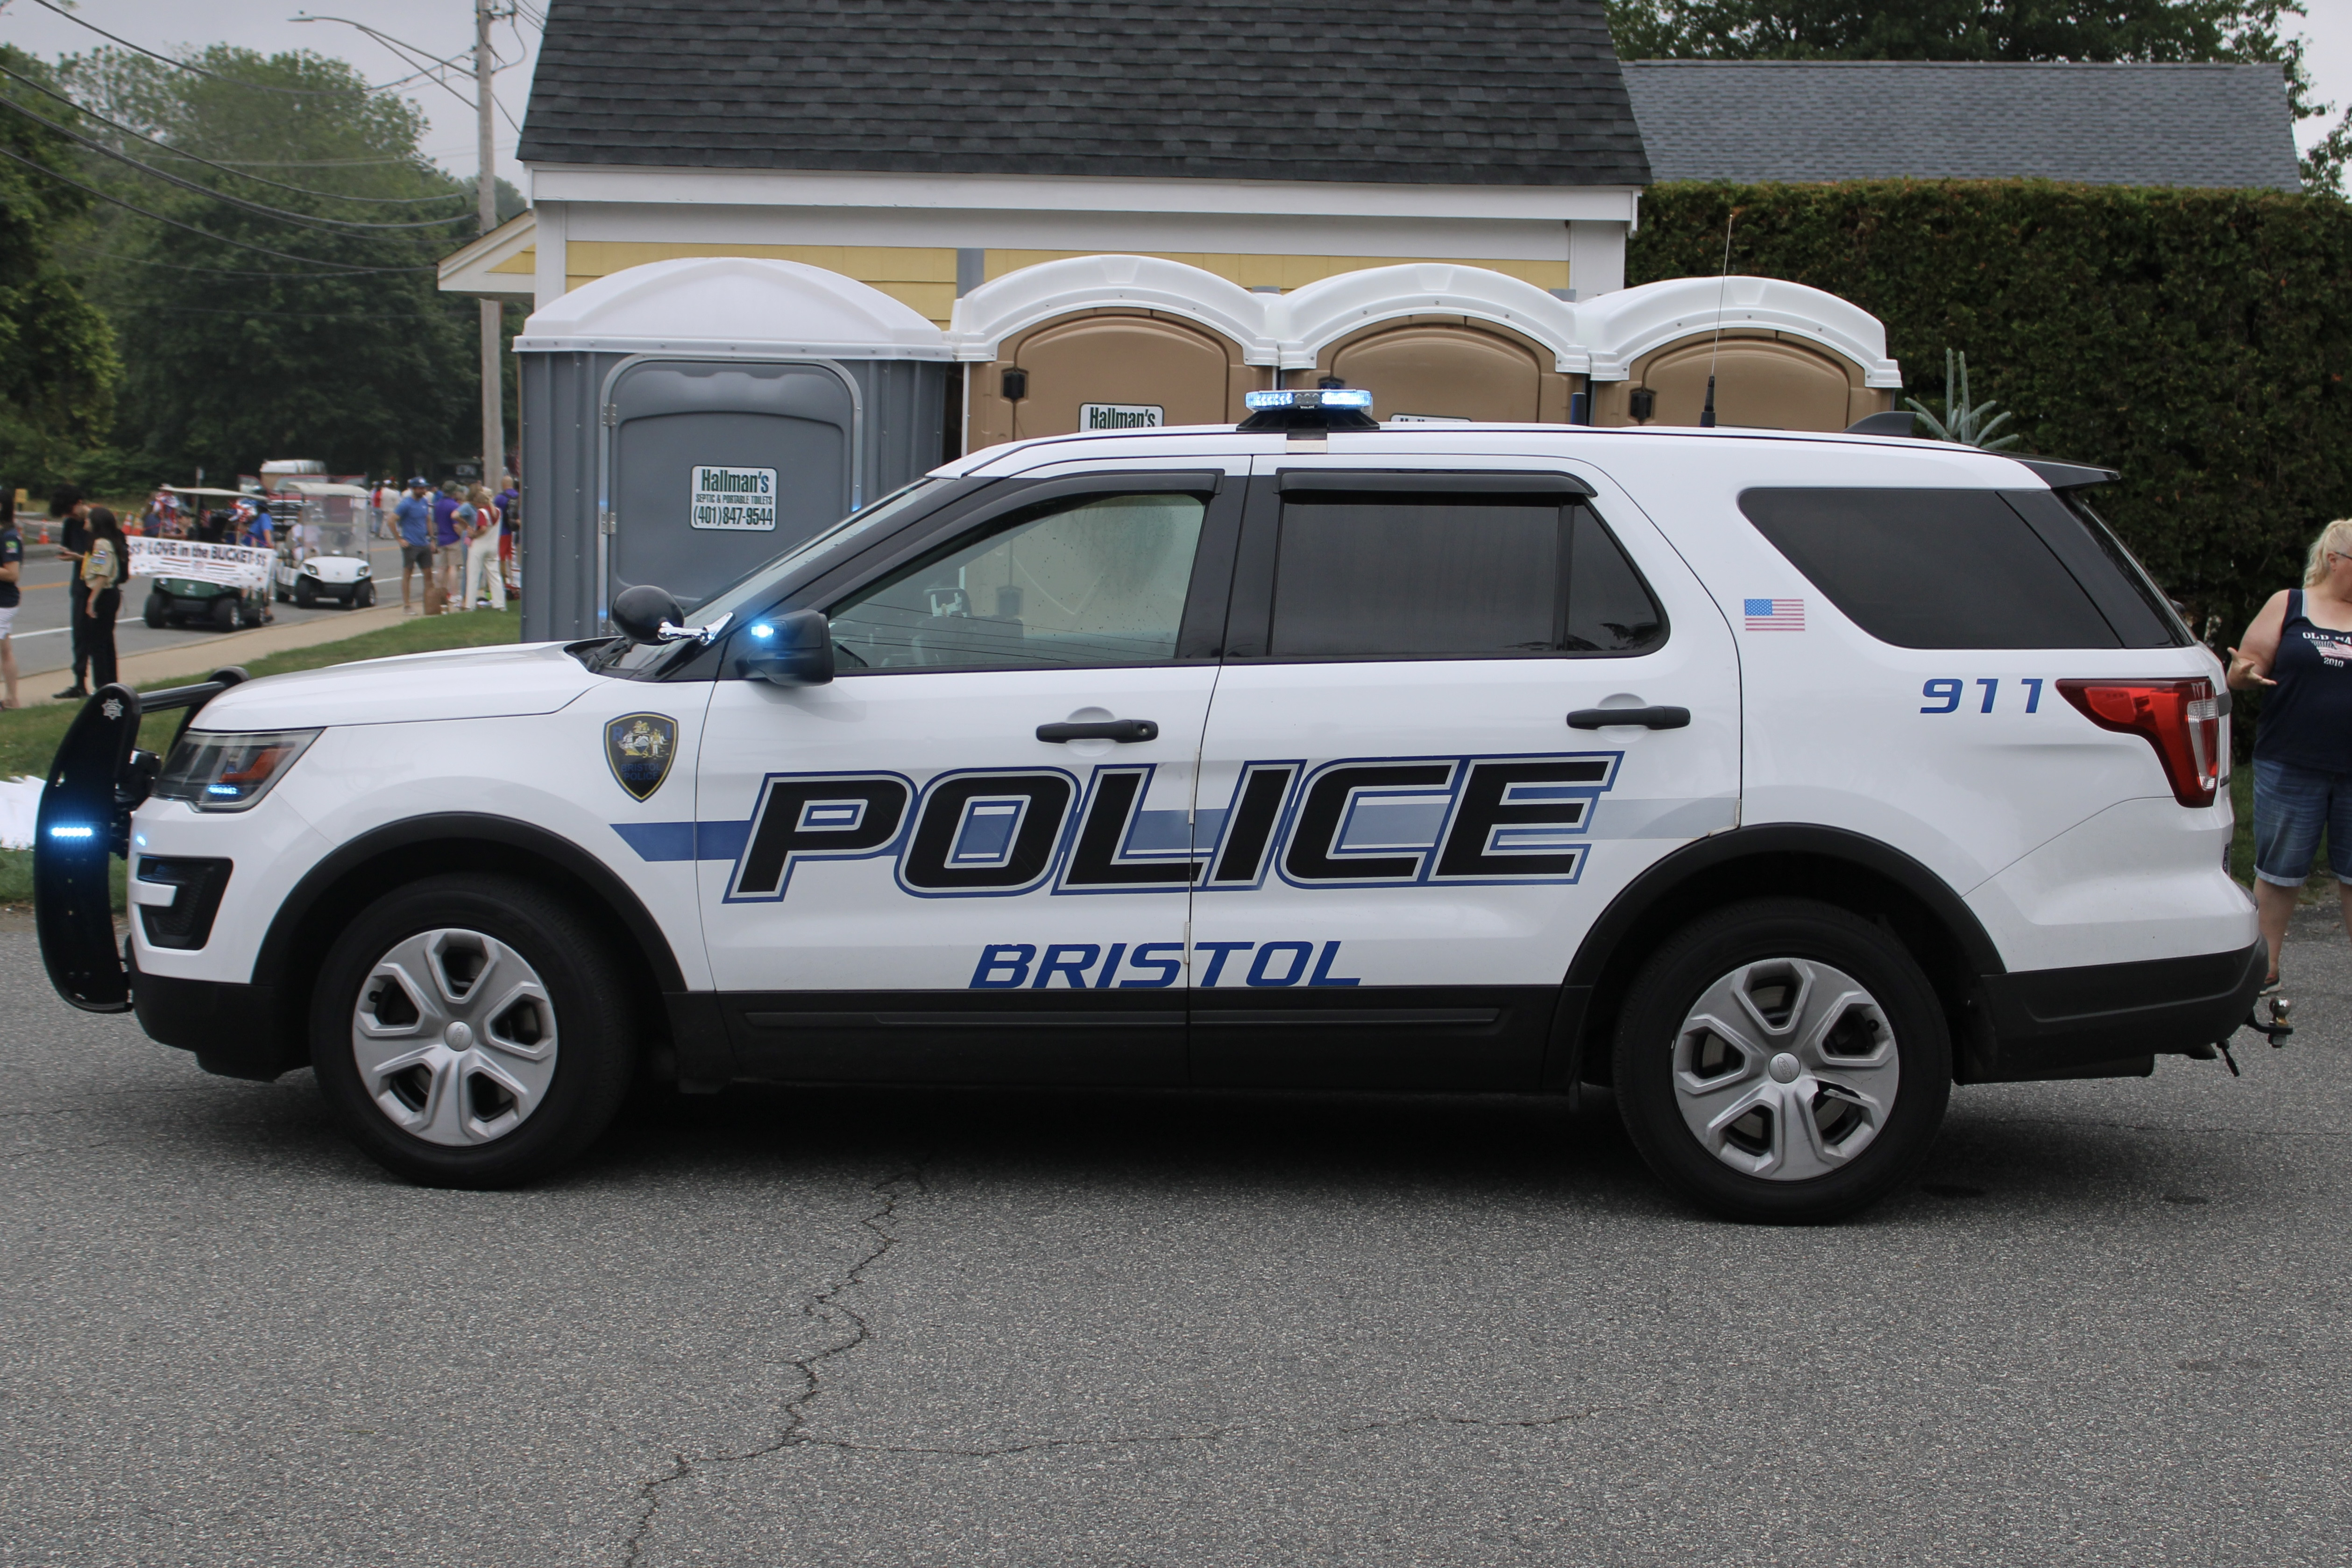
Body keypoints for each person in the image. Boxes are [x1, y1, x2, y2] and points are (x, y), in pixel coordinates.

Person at [2227, 516, 2352, 992]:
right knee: (2279, 870)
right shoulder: (2289, 604)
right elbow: (2243, 668)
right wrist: (2242, 674)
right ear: (2333, 560)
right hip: (2291, 760)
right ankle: (2264, 967)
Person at [48, 482, 90, 699]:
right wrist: (68, 554)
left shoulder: (97, 522)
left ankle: (106, 684)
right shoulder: (70, 525)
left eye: (70, 511)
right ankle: (80, 683)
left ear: (79, 503)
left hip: (99, 586)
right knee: (80, 636)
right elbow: (71, 549)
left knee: (100, 641)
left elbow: (105, 559)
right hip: (80, 585)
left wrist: (80, 558)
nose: (70, 516)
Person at [78, 504, 124, 692]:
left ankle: (102, 686)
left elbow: (101, 575)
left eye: (89, 519)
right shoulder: (105, 543)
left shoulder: (101, 544)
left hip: (103, 595)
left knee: (98, 643)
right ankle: (111, 683)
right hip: (108, 595)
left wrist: (91, 600)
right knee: (106, 641)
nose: (86, 522)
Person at [462, 482, 505, 610]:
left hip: (480, 546)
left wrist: (473, 535)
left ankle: (469, 605)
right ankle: (500, 604)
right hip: (493, 546)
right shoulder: (497, 511)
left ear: (478, 502)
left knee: (473, 576)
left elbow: (483, 528)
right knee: (495, 575)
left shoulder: (482, 512)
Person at [393, 476, 432, 614]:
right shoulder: (406, 504)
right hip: (411, 543)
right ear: (414, 489)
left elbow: (427, 519)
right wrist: (399, 539)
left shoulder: (424, 501)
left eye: (424, 488)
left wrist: (431, 539)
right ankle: (407, 605)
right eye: (421, 488)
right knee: (408, 574)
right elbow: (391, 520)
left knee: (428, 574)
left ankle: (429, 603)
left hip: (424, 543)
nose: (424, 491)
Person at [0, 487, 22, 708]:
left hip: (3, 602)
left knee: (4, 650)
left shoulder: (9, 537)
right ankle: (11, 699)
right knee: (5, 650)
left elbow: (12, 573)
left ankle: (12, 699)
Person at [432, 481, 467, 604]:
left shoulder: (438, 505)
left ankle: (440, 592)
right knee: (453, 567)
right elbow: (457, 526)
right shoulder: (454, 506)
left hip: (442, 538)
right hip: (453, 539)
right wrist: (462, 537)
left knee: (442, 567)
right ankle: (454, 594)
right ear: (454, 492)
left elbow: (435, 523)